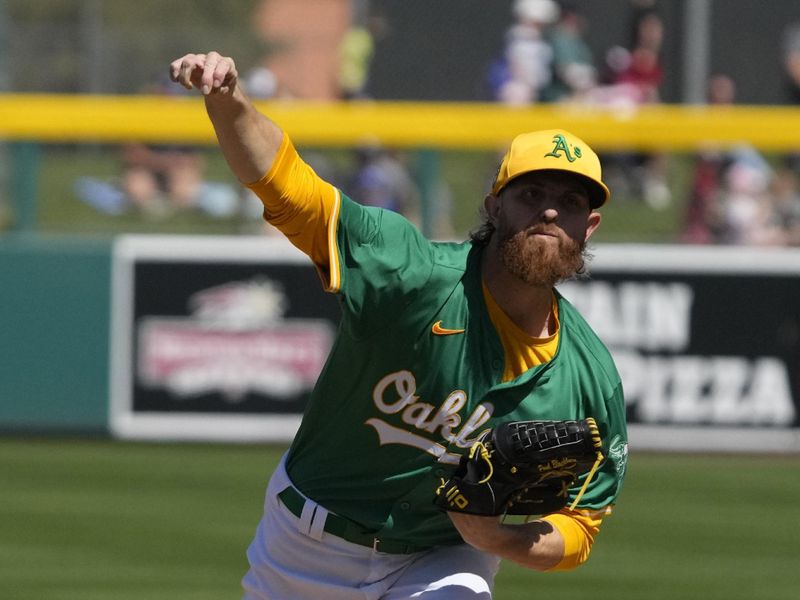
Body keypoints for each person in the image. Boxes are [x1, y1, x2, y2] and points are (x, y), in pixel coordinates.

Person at [170, 50, 628, 600]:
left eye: (570, 201)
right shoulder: (411, 274)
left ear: (590, 225)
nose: (550, 212)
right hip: (307, 541)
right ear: (495, 206)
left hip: (443, 556)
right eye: (532, 194)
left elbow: (581, 523)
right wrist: (229, 102)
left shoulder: (589, 376)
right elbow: (290, 189)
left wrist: (497, 538)